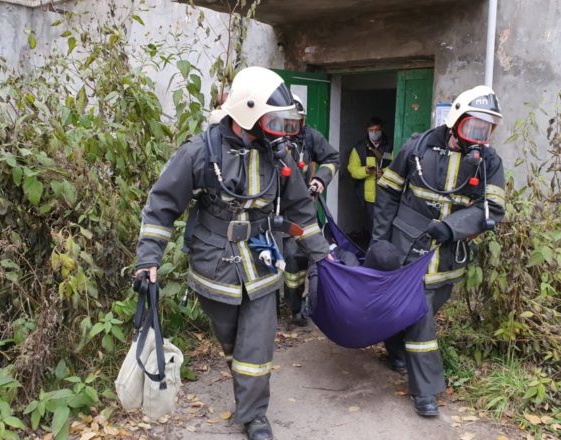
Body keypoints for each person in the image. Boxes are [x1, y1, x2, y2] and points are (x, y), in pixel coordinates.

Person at [134, 66, 330, 440]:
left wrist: (321, 254)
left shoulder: (279, 156)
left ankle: (254, 416)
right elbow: (161, 206)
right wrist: (148, 259)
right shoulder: (200, 152)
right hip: (215, 264)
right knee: (231, 341)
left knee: (255, 343)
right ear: (248, 114)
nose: (280, 131)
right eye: (272, 121)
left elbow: (301, 210)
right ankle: (245, 388)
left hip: (261, 261)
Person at [372, 85, 506, 417]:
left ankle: (395, 348)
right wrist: (380, 240)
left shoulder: (488, 163)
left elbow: (492, 209)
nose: (479, 135)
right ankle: (426, 391)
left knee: (417, 309)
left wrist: (451, 227)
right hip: (407, 248)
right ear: (456, 120)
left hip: (446, 256)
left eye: (486, 129)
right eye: (474, 126)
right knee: (421, 316)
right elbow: (387, 191)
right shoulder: (416, 148)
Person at [282, 94, 339, 326]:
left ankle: (296, 307)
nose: (290, 128)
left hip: (303, 208)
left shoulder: (310, 137)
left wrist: (320, 180)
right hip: (274, 209)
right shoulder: (270, 139)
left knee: (298, 259)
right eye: (287, 122)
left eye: (295, 123)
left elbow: (332, 158)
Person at [347, 117, 392, 234]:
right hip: (369, 198)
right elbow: (352, 169)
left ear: (381, 130)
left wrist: (384, 173)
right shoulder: (359, 148)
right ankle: (373, 249)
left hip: (387, 195)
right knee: (372, 226)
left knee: (387, 226)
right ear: (367, 130)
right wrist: (365, 171)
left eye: (377, 130)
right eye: (371, 130)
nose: (374, 133)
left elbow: (396, 165)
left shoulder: (390, 146)